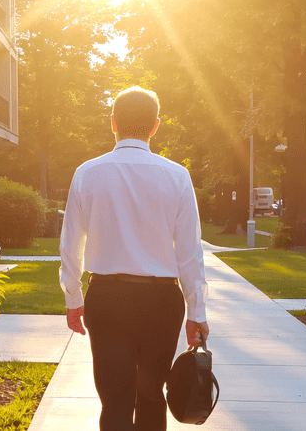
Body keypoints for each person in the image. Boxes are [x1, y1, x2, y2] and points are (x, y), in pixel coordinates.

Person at [59, 86, 209, 431]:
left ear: (113, 123)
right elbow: (190, 252)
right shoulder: (177, 176)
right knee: (152, 396)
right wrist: (196, 312)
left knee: (114, 399)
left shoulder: (87, 173)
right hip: (162, 301)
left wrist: (73, 298)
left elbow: (71, 244)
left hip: (107, 298)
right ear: (155, 126)